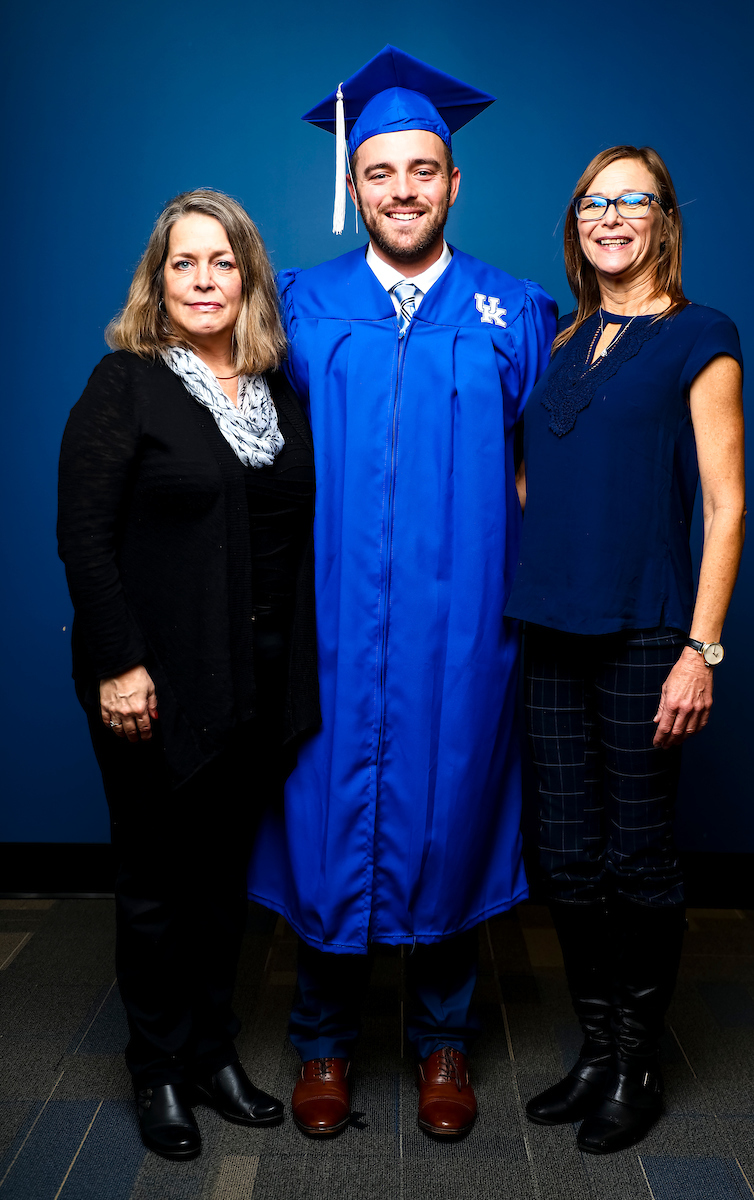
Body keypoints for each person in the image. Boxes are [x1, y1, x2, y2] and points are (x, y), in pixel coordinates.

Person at [247, 45, 557, 1139]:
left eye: (423, 170)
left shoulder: (512, 315)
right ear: (353, 181)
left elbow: (549, 472)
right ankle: (323, 1045)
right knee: (327, 816)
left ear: (454, 181)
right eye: (380, 172)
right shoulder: (293, 309)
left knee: (451, 812)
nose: (403, 190)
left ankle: (440, 1042)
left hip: (464, 628)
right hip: (327, 621)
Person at [57, 189, 319, 1161]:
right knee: (157, 887)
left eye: (223, 262)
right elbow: (82, 538)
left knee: (220, 884)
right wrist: (120, 666)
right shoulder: (124, 383)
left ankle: (212, 1055)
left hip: (253, 675)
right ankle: (158, 1071)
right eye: (184, 263)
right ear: (157, 280)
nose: (204, 279)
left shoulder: (274, 393)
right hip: (153, 681)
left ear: (247, 277)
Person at [505, 145, 745, 1154]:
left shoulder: (702, 335)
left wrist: (702, 647)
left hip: (648, 631)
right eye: (591, 202)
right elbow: (529, 478)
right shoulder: (558, 339)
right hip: (547, 631)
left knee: (635, 857)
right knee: (564, 856)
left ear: (662, 220)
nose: (607, 216)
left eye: (628, 200)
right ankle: (596, 1051)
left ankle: (636, 1065)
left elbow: (726, 502)